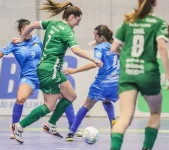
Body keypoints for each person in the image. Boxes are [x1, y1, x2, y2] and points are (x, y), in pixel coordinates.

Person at [11, 0, 102, 143]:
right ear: (72, 17)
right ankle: (19, 127)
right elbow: (76, 50)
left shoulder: (53, 24)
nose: (78, 24)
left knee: (71, 96)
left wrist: (21, 38)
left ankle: (51, 124)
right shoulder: (67, 31)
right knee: (50, 105)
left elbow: (33, 24)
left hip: (52, 69)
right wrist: (94, 60)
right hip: (50, 70)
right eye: (78, 20)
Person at [0, 18, 77, 139]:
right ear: (20, 31)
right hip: (28, 77)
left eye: (30, 30)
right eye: (25, 30)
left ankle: (73, 128)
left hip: (44, 75)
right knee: (20, 98)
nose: (29, 33)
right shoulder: (14, 44)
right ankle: (15, 127)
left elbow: (48, 53)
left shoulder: (37, 40)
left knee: (66, 96)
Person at [110, 0, 169, 149]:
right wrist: (168, 75)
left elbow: (114, 48)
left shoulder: (128, 21)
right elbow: (162, 47)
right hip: (148, 74)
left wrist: (125, 55)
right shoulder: (158, 23)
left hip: (128, 73)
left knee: (124, 116)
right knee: (155, 113)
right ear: (154, 3)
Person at [63, 25, 119, 141]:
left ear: (102, 36)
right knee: (106, 101)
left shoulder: (100, 48)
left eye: (95, 35)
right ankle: (113, 120)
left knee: (86, 106)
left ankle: (71, 132)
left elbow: (95, 63)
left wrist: (75, 70)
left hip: (102, 84)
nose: (94, 37)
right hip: (116, 84)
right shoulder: (115, 46)